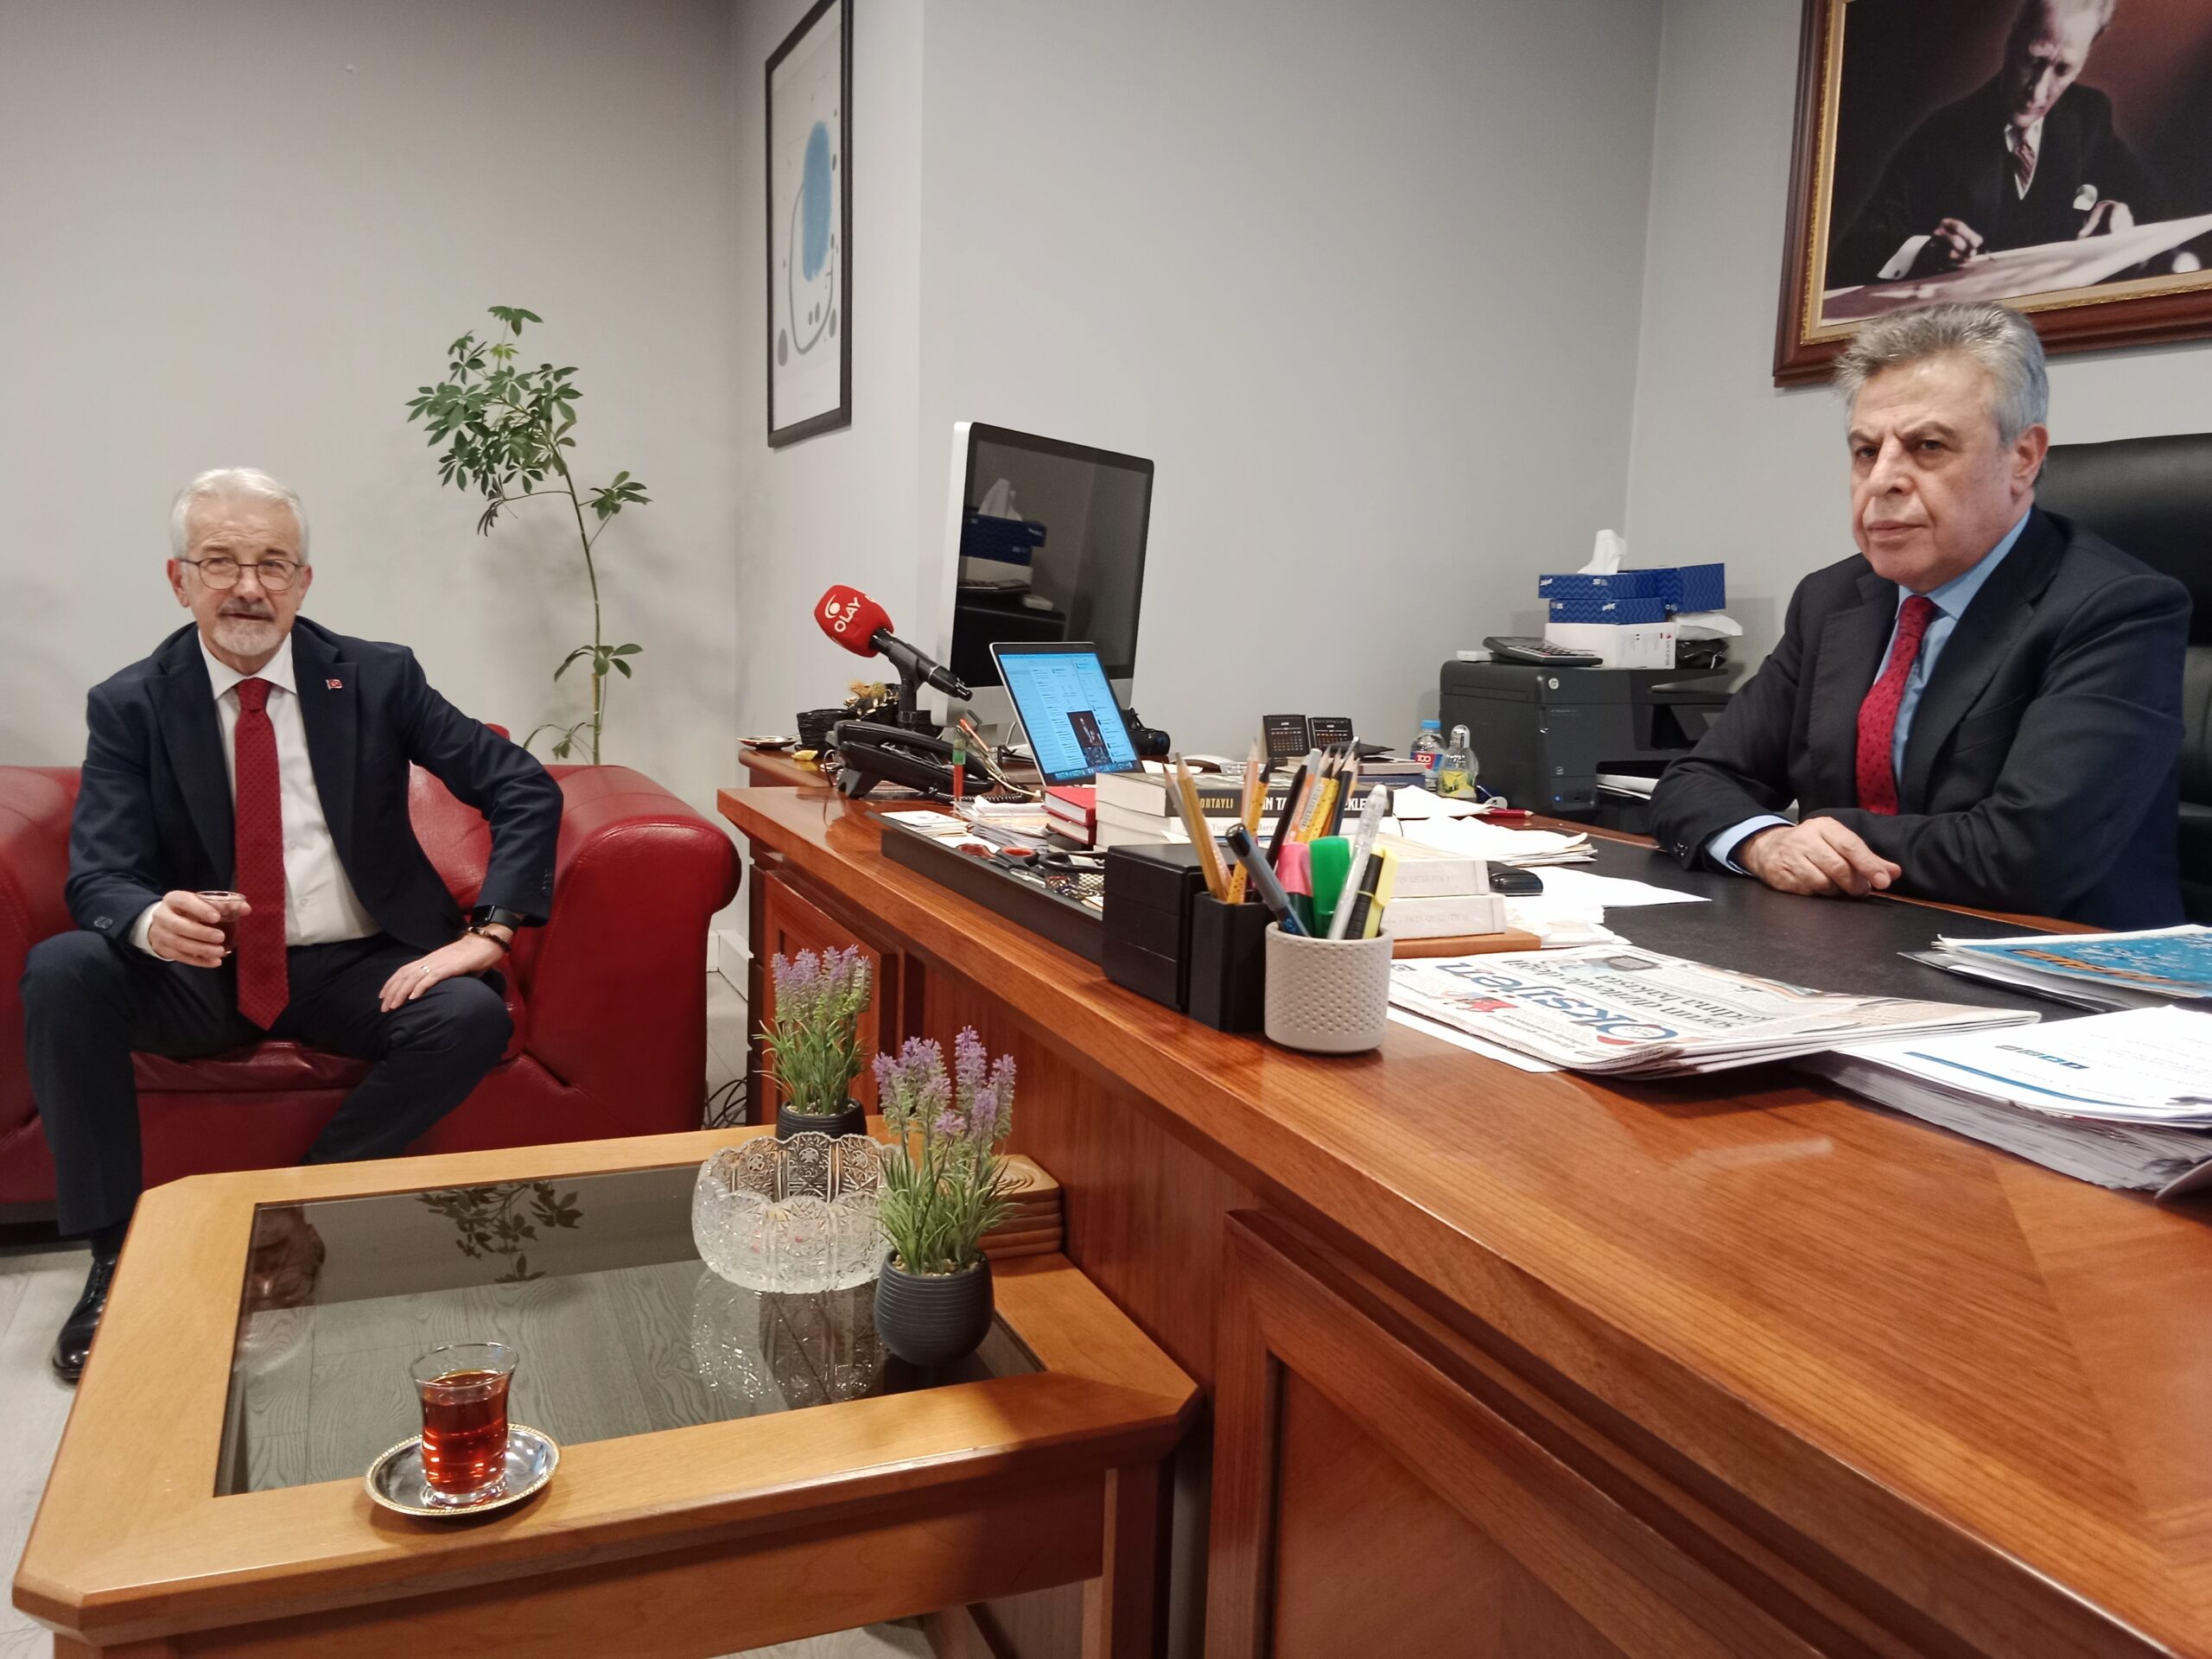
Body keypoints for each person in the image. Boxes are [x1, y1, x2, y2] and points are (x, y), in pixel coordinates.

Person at [22, 468, 562, 1382]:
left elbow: (520, 785)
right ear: (179, 580)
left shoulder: (378, 677)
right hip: (208, 971)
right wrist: (151, 919)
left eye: (273, 564)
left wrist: (493, 930)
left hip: (360, 965)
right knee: (64, 971)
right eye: (220, 562)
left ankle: (291, 1205)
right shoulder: (131, 703)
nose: (248, 587)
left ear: (304, 582)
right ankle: (114, 1259)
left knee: (470, 1015)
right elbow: (98, 874)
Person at [1649, 301, 2187, 927]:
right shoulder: (1832, 599)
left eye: (1927, 446)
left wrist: (1824, 837)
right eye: (1864, 451)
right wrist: (1764, 843)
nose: (1882, 480)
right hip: (1852, 942)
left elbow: (2030, 857)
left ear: (2023, 458)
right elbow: (1695, 780)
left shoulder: (2116, 609)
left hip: (2054, 961)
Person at [1829, 0, 2158, 287]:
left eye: (2063, 69)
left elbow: (2150, 204)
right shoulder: (1942, 136)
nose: (2037, 92)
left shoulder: (2087, 114)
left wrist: (2121, 213)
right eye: (2033, 60)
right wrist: (1926, 250)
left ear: (2085, 59)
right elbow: (1855, 252)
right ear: (2012, 38)